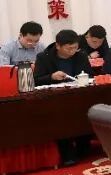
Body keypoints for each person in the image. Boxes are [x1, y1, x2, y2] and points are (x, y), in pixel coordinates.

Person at [35, 29, 95, 165]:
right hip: (55, 100)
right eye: (69, 48)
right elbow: (36, 80)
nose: (72, 51)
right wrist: (51, 77)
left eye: (75, 48)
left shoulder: (81, 56)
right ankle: (67, 153)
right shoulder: (44, 57)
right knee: (61, 117)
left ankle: (83, 147)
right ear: (58, 46)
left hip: (79, 96)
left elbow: (90, 75)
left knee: (87, 111)